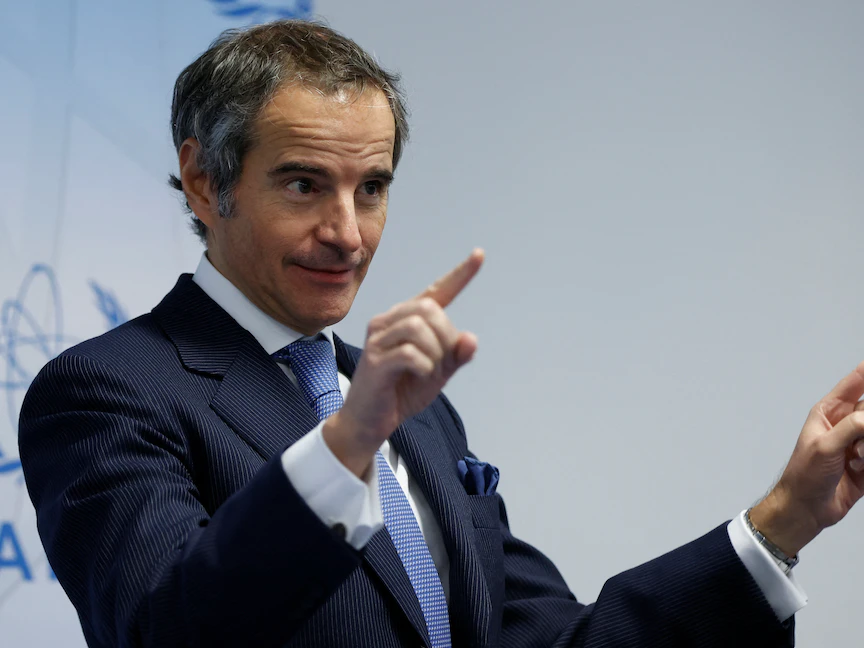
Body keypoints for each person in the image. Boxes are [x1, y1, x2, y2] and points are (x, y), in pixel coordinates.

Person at [18, 19, 864, 648]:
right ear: (205, 181)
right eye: (304, 185)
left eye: (372, 188)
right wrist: (349, 443)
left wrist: (782, 522)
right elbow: (166, 631)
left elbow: (556, 641)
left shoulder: (413, 413)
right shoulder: (106, 392)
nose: (348, 234)